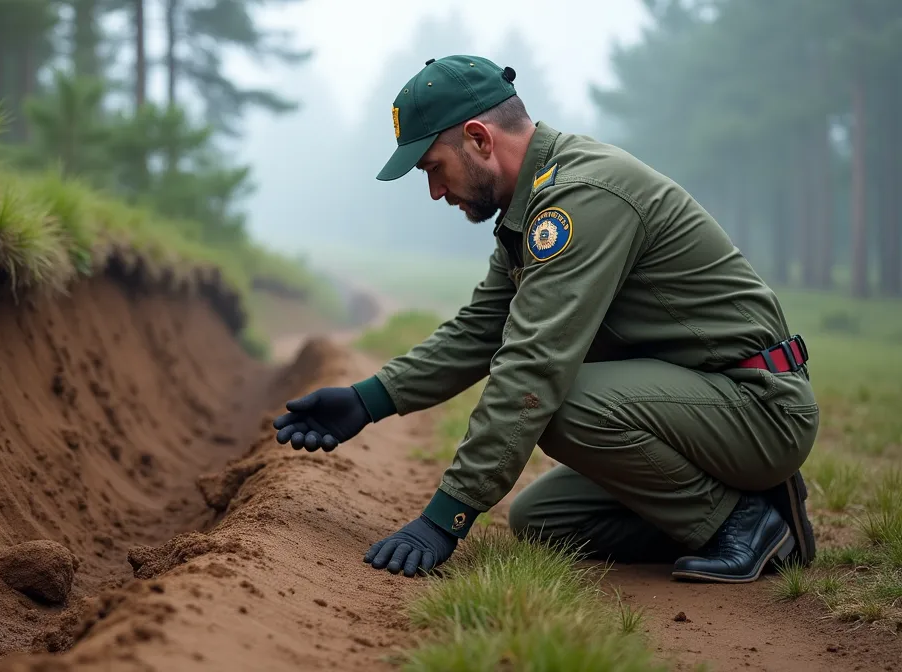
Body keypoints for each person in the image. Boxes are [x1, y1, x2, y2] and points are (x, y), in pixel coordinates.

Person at [272, 55, 819, 583]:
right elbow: (479, 330)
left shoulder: (579, 198)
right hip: (704, 407)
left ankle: (744, 524)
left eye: (433, 168)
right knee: (545, 521)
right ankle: (742, 503)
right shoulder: (532, 204)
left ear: (479, 139)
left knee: (557, 403)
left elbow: (533, 367)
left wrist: (448, 516)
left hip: (759, 407)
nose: (435, 191)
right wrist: (368, 399)